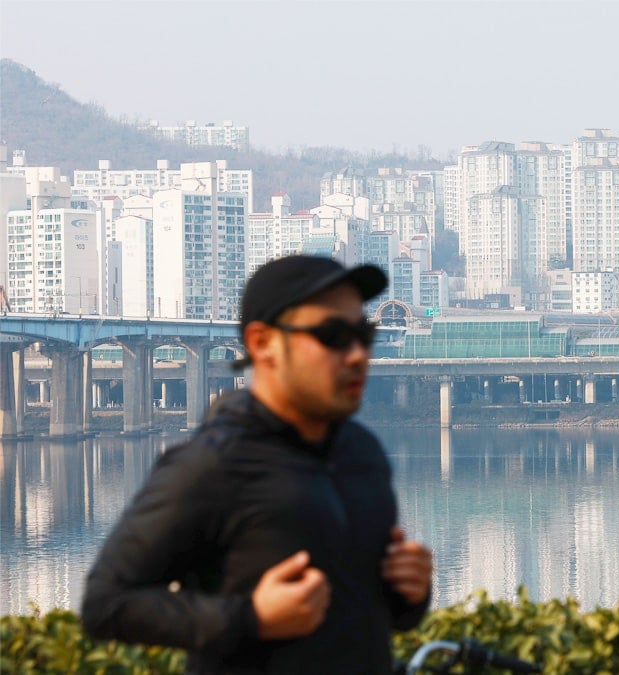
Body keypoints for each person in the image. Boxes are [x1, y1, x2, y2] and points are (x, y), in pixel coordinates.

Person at [82, 255, 434, 674]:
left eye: (363, 335)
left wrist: (410, 593)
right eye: (334, 336)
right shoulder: (213, 463)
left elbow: (372, 613)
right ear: (263, 343)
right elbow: (106, 603)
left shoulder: (363, 453)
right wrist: (249, 617)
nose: (358, 355)